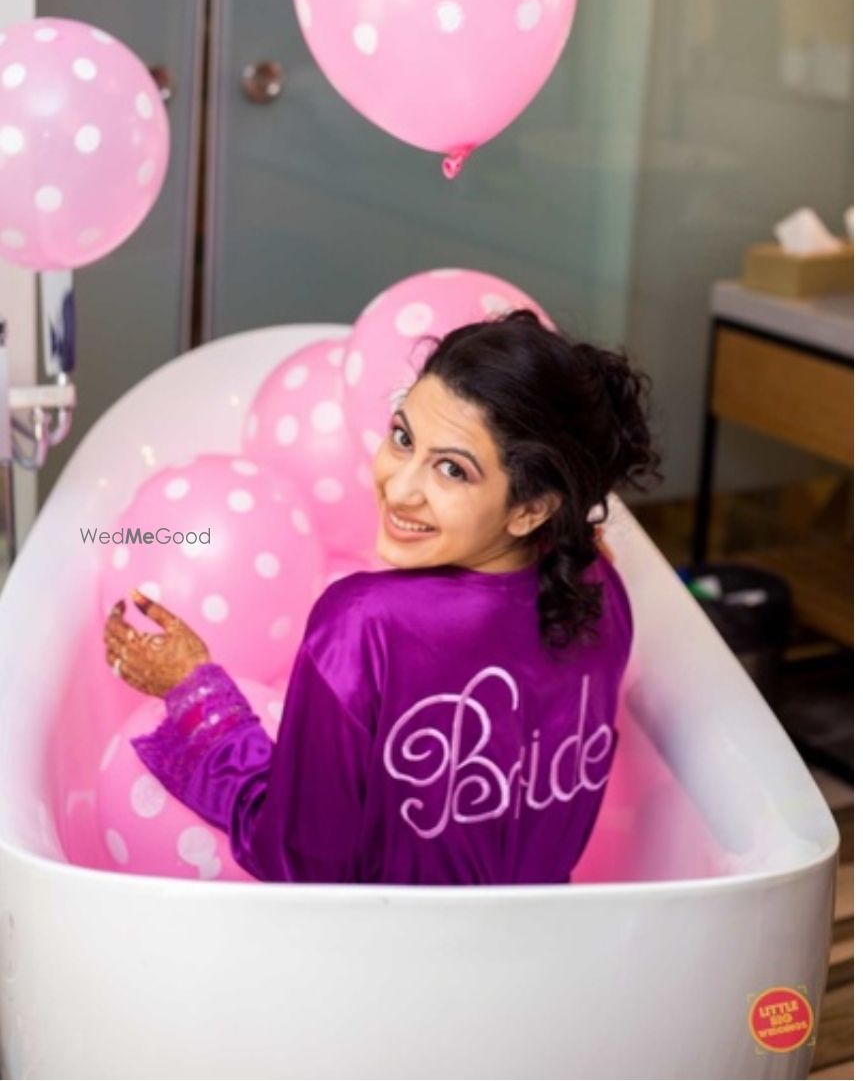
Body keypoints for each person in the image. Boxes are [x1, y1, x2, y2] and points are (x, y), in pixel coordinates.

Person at [103, 308, 661, 884]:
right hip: (544, 959)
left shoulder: (364, 623)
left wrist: (199, 697)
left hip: (390, 965)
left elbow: (303, 862)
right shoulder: (600, 589)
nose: (399, 486)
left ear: (530, 509)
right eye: (403, 438)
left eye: (451, 470)